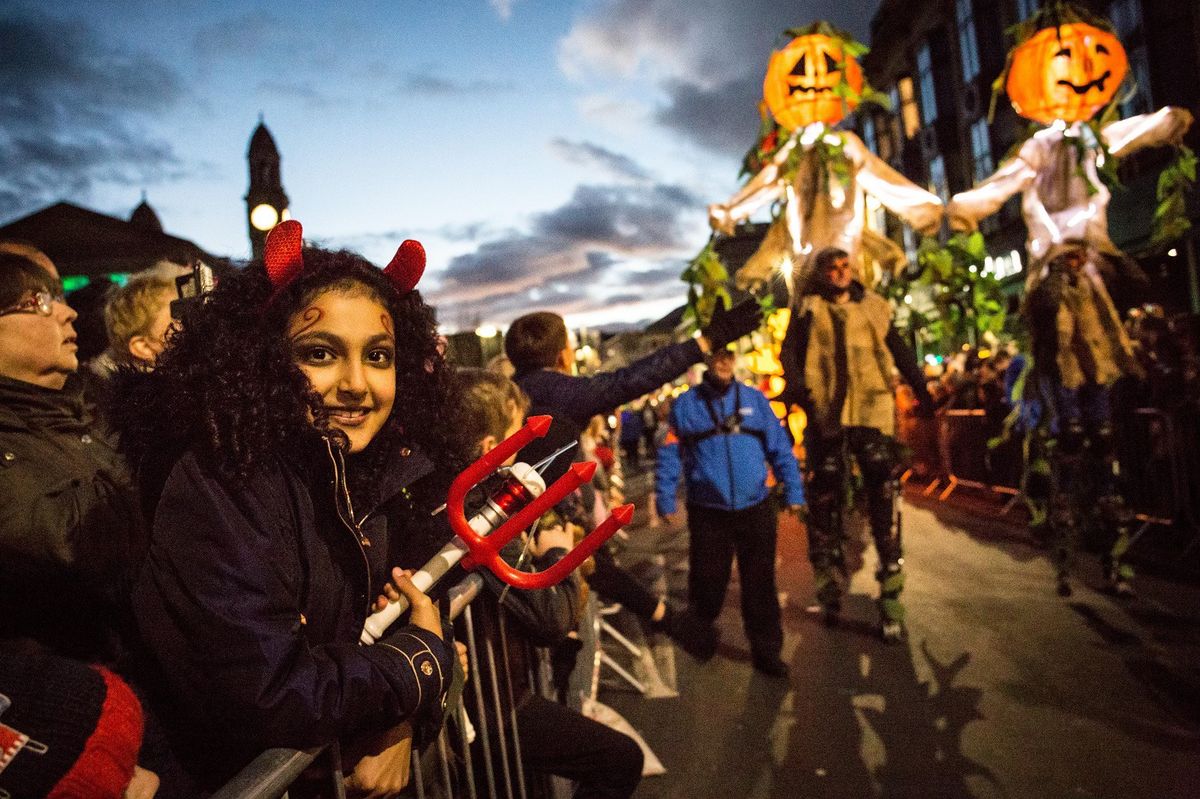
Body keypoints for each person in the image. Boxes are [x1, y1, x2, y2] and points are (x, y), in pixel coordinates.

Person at [110, 222, 456, 794]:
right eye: (319, 354)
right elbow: (267, 691)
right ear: (259, 360)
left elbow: (390, 628)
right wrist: (419, 664)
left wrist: (404, 713)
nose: (356, 384)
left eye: (378, 355)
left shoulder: (366, 468)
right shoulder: (218, 480)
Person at [423, 367, 643, 799]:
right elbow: (551, 616)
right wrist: (558, 552)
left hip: (496, 698)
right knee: (618, 759)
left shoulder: (467, 502)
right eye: (517, 434)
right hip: (494, 709)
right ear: (492, 449)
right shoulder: (477, 519)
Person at [778, 246, 934, 642]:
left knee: (882, 484)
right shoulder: (807, 308)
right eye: (832, 268)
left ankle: (890, 581)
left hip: (870, 411)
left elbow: (898, 348)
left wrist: (921, 388)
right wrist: (797, 388)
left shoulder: (875, 307)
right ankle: (828, 576)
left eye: (845, 266)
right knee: (825, 485)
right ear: (822, 274)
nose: (840, 273)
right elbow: (789, 353)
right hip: (826, 414)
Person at [0, 249, 145, 666]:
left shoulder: (87, 407)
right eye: (39, 302)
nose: (68, 315)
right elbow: (76, 542)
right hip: (91, 694)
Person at [654, 348, 805, 677]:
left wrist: (793, 490)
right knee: (707, 583)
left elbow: (780, 447)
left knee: (760, 585)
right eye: (718, 355)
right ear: (707, 360)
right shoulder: (685, 405)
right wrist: (665, 498)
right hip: (709, 512)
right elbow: (669, 453)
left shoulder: (755, 400)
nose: (724, 362)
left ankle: (767, 653)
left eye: (729, 356)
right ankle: (700, 637)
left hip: (756, 508)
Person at [504, 301, 762, 485]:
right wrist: (704, 343)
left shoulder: (507, 393)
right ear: (563, 356)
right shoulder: (562, 393)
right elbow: (630, 381)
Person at [1021, 241, 1145, 598]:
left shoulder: (1099, 287)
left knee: (1104, 442)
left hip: (1097, 375)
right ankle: (1063, 534)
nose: (1077, 260)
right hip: (1063, 376)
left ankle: (1116, 558)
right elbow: (1042, 307)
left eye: (1080, 253)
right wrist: (1058, 268)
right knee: (1071, 438)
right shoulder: (1045, 286)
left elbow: (1139, 286)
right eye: (1069, 254)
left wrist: (1115, 253)